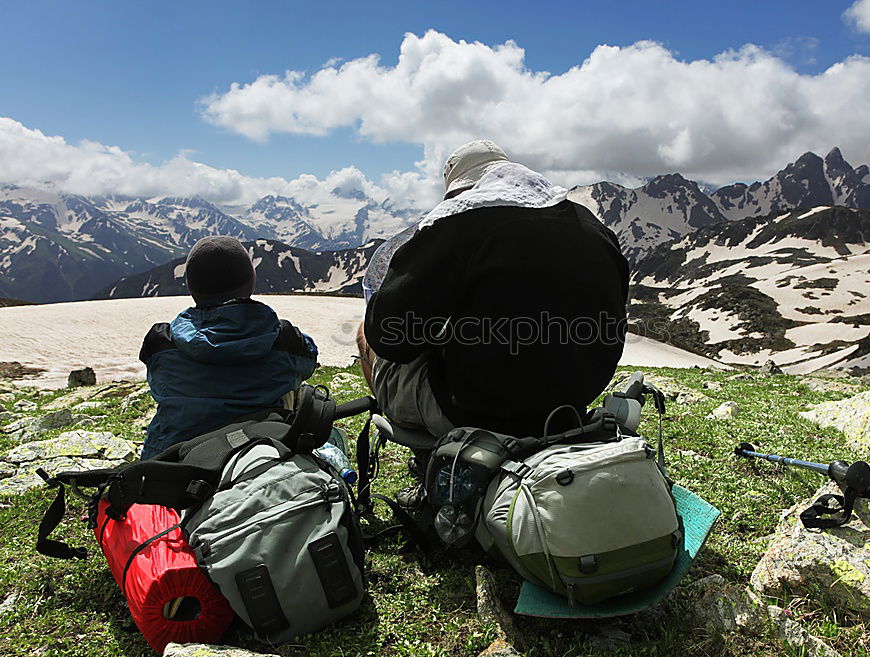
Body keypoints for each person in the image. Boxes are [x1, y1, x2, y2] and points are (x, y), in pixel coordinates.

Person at [358, 139, 629, 466]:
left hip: (480, 412)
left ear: (457, 193)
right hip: (568, 406)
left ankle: (435, 463)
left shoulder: (457, 222)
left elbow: (390, 337)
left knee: (365, 335)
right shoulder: (590, 224)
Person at [139, 235, 318, 459]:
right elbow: (310, 359)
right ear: (250, 281)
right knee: (293, 387)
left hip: (170, 464)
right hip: (257, 455)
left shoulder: (161, 343)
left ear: (191, 286)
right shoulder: (284, 341)